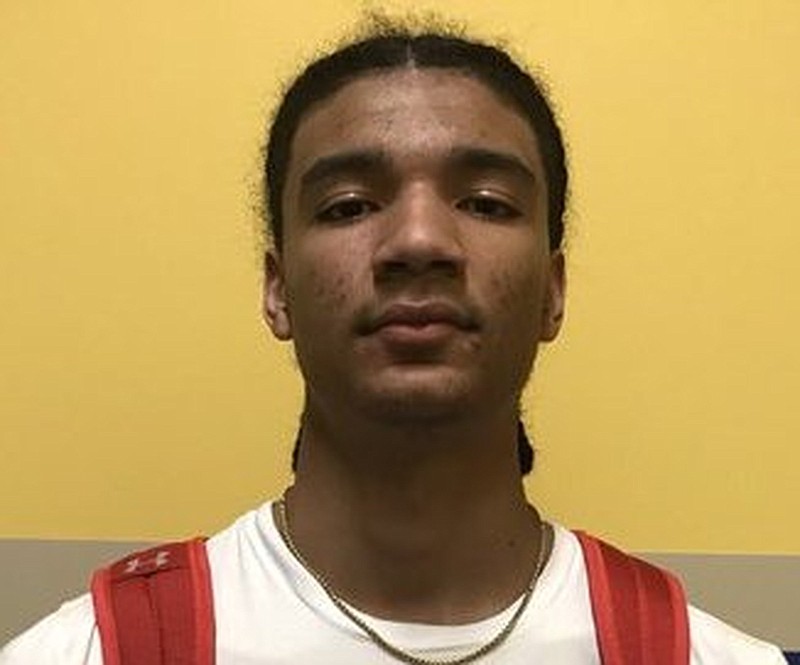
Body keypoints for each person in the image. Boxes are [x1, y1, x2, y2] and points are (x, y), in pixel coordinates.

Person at [1, 21, 787, 665]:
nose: (418, 239)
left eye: (485, 202)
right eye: (348, 205)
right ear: (278, 288)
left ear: (554, 289)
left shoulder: (701, 655)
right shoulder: (91, 650)